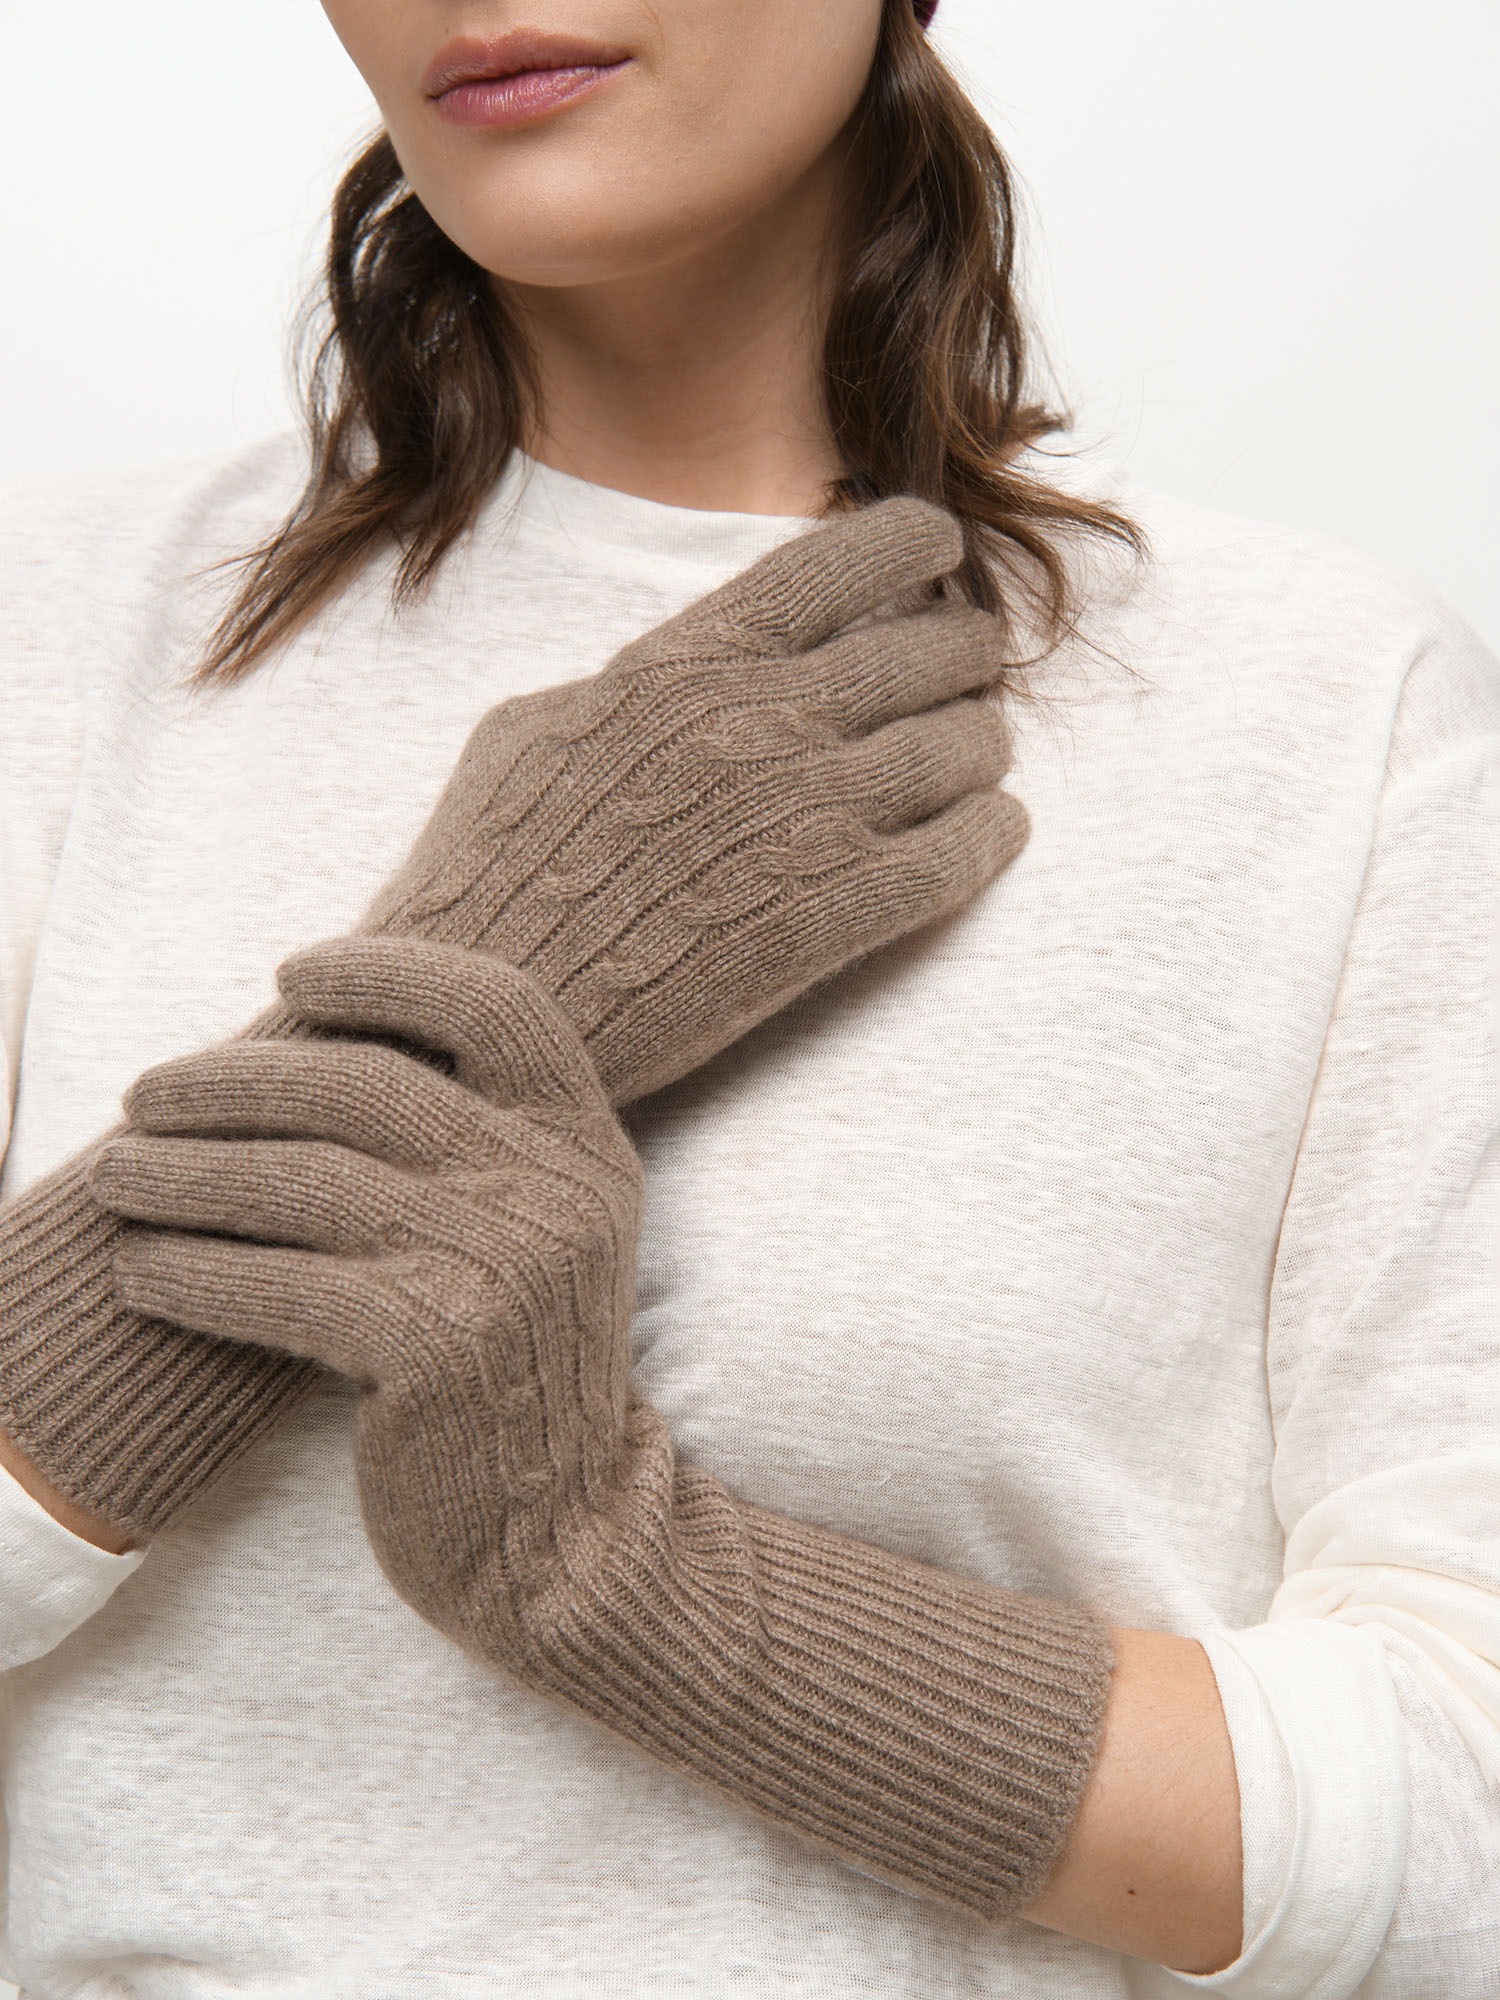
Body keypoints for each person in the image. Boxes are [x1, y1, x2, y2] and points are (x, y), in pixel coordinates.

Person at [0, 0, 1495, 1993]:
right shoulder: (55, 637)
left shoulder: (1327, 711)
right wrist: (494, 968)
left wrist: (614, 1576)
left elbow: (1463, 1835)